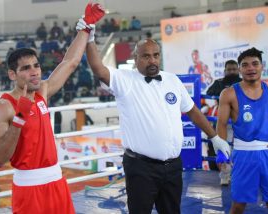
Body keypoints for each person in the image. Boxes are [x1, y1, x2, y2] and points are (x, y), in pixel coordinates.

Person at [77, 20, 230, 213]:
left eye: (156, 55)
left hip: (173, 166)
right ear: (136, 58)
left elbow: (192, 111)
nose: (152, 60)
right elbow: (99, 69)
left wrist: (214, 137)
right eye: (146, 56)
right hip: (141, 168)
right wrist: (90, 39)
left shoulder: (172, 80)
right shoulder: (125, 80)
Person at [0, 3, 105, 213]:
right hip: (29, 188)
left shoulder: (42, 92)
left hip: (56, 181)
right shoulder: (2, 107)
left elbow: (70, 62)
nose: (34, 72)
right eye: (26, 68)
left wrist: (85, 28)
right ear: (12, 75)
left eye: (36, 65)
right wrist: (19, 119)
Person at [216, 47, 268, 214]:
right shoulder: (229, 93)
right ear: (240, 69)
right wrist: (221, 149)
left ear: (262, 66)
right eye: (245, 65)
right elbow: (222, 123)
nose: (250, 68)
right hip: (243, 155)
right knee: (238, 205)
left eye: (255, 64)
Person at [206, 59, 241, 186]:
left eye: (234, 69)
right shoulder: (219, 83)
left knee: (239, 149)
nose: (231, 72)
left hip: (240, 122)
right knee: (223, 147)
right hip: (222, 121)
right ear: (225, 70)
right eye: (229, 69)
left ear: (238, 70)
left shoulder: (243, 83)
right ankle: (225, 176)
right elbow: (209, 95)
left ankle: (238, 175)